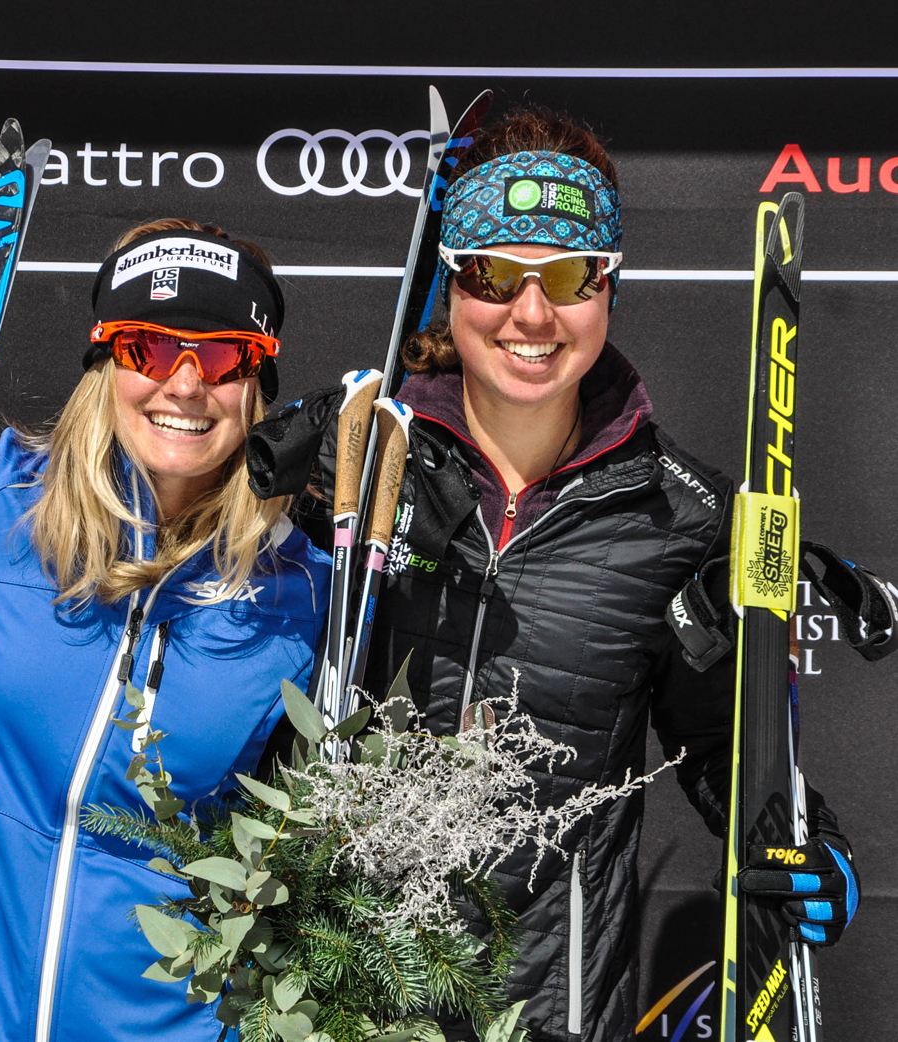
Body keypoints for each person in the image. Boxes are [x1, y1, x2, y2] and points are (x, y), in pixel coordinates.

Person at [281, 109, 863, 1040]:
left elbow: (730, 748)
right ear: (451, 287)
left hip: (550, 1010)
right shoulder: (357, 459)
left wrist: (808, 849)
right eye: (494, 274)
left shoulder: (682, 516)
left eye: (566, 277)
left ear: (609, 286)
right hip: (336, 1001)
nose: (532, 314)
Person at [0, 220, 331, 1041]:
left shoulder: (296, 592)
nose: (185, 385)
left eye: (223, 356)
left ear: (257, 382)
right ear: (105, 363)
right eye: (149, 349)